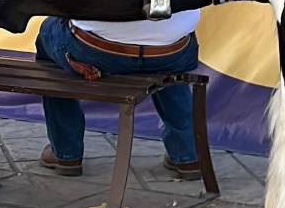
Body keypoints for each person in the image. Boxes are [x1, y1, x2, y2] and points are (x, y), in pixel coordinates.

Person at [35, 10, 201, 178]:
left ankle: (66, 153)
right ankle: (188, 154)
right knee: (169, 55)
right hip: (174, 50)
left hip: (97, 51)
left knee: (48, 32)